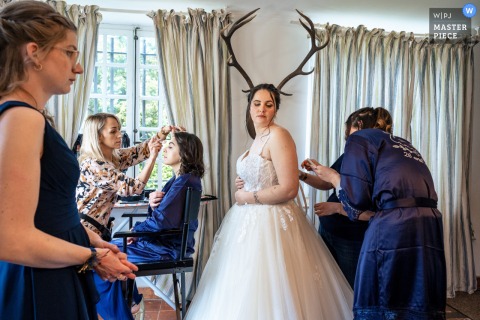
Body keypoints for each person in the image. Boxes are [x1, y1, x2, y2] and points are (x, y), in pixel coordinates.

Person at [0, 2, 137, 319]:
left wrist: (92, 241)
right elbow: (10, 238)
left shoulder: (27, 115)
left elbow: (46, 212)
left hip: (53, 267)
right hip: (37, 280)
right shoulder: (21, 118)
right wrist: (92, 257)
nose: (78, 68)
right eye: (69, 53)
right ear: (34, 53)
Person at [185, 83, 353, 319]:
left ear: (275, 109)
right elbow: (262, 175)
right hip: (246, 221)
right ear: (249, 107)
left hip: (271, 222)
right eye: (257, 103)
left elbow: (289, 189)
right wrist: (242, 183)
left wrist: (247, 196)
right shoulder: (258, 138)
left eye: (268, 104)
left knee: (273, 287)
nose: (261, 109)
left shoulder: (279, 135)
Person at [309, 107, 446, 319]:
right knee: (412, 287)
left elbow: (356, 205)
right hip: (428, 222)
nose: (347, 137)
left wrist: (334, 178)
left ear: (358, 126)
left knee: (377, 289)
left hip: (393, 222)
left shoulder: (360, 139)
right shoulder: (402, 144)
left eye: (348, 131)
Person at [94, 131, 204, 320]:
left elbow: (162, 222)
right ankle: (131, 302)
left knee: (102, 258)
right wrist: (153, 203)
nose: (165, 149)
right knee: (105, 252)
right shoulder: (182, 180)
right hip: (165, 244)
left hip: (165, 249)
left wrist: (135, 232)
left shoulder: (185, 182)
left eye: (171, 146)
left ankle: (124, 311)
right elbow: (164, 217)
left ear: (185, 152)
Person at [298, 107, 386, 288]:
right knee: (329, 286)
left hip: (351, 238)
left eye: (355, 138)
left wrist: (337, 208)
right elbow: (328, 183)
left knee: (350, 287)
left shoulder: (382, 165)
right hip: (329, 229)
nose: (352, 143)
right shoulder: (350, 155)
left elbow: (376, 213)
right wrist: (302, 175)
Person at [76, 113, 179, 241]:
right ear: (98, 136)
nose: (120, 135)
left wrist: (163, 132)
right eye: (113, 131)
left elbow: (139, 151)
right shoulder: (95, 165)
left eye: (119, 129)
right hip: (84, 231)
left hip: (97, 230)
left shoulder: (113, 158)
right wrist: (152, 158)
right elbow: (134, 188)